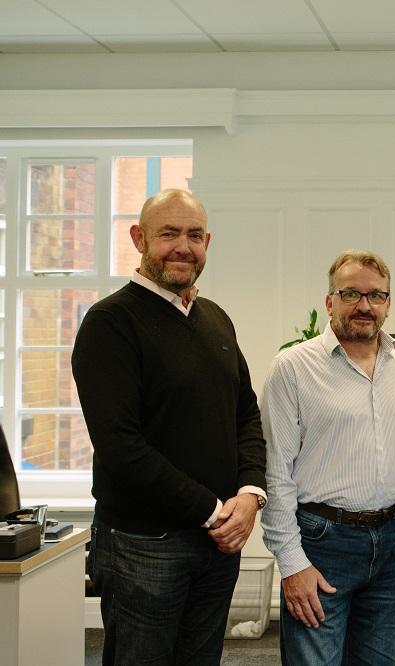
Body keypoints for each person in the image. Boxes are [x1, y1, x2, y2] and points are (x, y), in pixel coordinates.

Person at [72, 189, 267, 665]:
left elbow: (245, 412)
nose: (184, 246)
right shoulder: (109, 323)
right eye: (169, 233)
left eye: (194, 235)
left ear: (208, 242)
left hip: (217, 543)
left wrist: (249, 492)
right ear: (139, 238)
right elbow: (121, 448)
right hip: (144, 546)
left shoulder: (215, 318)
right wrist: (213, 510)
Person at [260, 250, 395, 665]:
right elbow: (276, 471)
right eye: (351, 294)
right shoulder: (292, 367)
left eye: (376, 295)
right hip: (322, 543)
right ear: (329, 301)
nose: (364, 305)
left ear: (388, 303)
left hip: (392, 541)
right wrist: (291, 563)